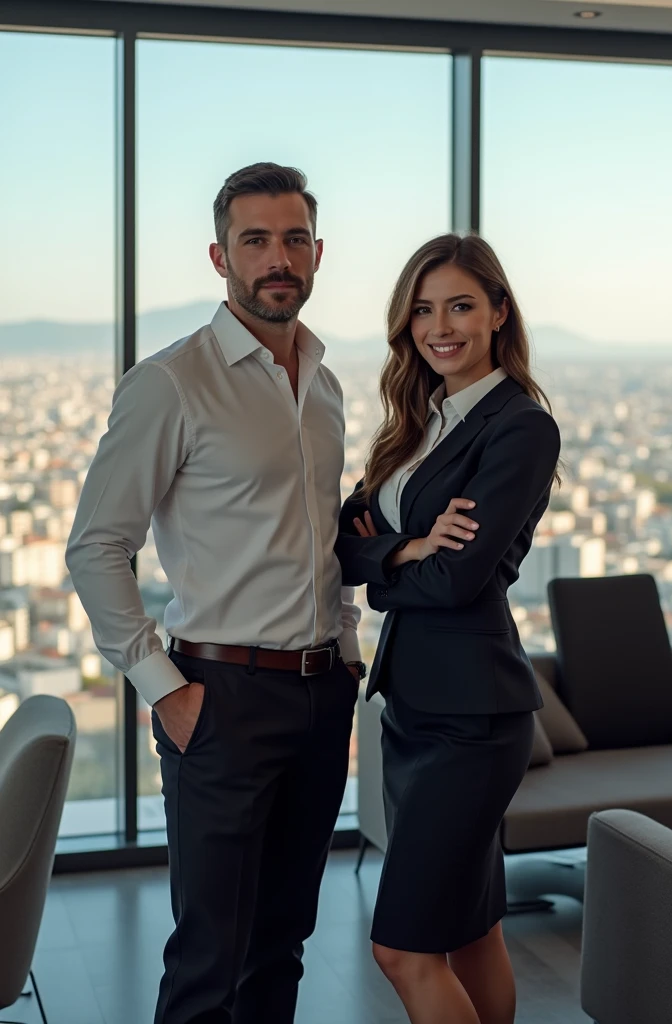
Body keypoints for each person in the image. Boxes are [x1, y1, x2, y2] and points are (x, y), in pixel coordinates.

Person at [66, 162, 365, 1024]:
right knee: (209, 956)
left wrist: (344, 646)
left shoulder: (326, 383)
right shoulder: (170, 382)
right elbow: (96, 547)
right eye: (257, 240)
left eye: (295, 239)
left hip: (319, 693)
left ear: (317, 252)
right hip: (220, 696)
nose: (280, 258)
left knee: (284, 944)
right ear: (219, 255)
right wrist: (167, 692)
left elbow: (319, 538)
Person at [335, 233, 561, 1024]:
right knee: (471, 934)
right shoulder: (418, 422)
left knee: (401, 949)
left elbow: (461, 579)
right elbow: (344, 538)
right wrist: (404, 548)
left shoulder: (519, 427)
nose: (441, 326)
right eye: (423, 310)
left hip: (472, 720)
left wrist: (387, 571)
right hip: (413, 712)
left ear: (499, 312)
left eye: (461, 305)